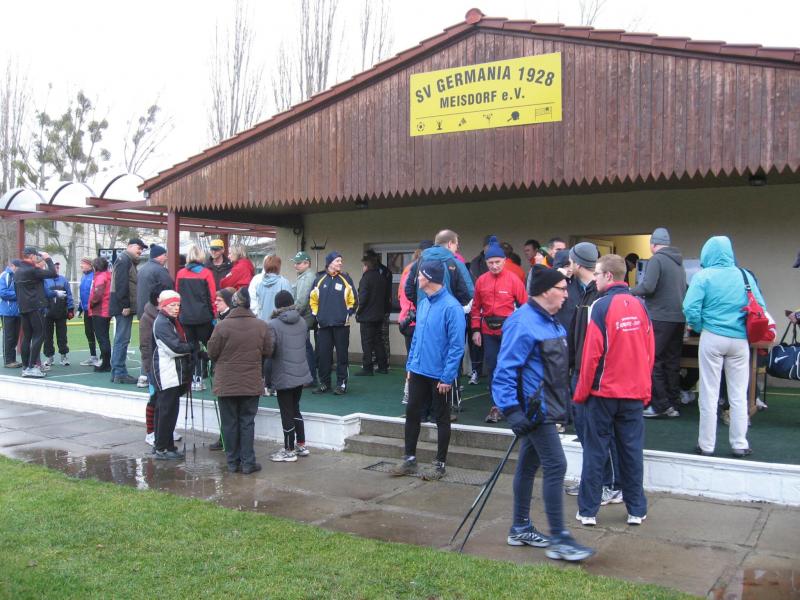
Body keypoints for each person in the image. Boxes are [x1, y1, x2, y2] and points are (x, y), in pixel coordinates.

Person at [491, 264, 595, 561]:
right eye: (561, 289)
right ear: (545, 291)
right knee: (556, 465)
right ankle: (560, 539)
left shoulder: (552, 322)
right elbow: (504, 371)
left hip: (550, 406)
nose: (566, 294)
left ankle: (520, 528)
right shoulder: (522, 322)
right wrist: (512, 411)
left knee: (527, 466)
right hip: (535, 411)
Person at [574, 254, 653, 527]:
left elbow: (590, 354)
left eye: (597, 273)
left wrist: (581, 392)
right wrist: (645, 389)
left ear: (608, 276)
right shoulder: (641, 305)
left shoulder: (600, 306)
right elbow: (649, 351)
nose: (594, 278)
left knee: (595, 452)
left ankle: (587, 511)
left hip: (602, 394)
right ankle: (636, 510)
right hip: (633, 394)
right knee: (632, 452)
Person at [683, 236, 767, 458]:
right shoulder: (744, 275)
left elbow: (690, 308)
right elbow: (761, 306)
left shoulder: (703, 276)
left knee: (709, 392)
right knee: (738, 394)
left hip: (712, 337)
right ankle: (739, 443)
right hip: (740, 341)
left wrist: (700, 326)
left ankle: (706, 445)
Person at [391, 260, 465, 480]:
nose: (417, 278)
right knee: (412, 413)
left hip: (440, 376)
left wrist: (447, 377)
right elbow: (416, 338)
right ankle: (409, 459)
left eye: (420, 275)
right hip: (419, 371)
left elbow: (457, 346)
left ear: (430, 278)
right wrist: (410, 366)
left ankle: (439, 465)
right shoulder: (423, 303)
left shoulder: (452, 308)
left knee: (441, 417)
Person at [207, 287, 274, 474]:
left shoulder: (222, 326)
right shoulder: (261, 325)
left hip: (226, 383)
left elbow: (212, 352)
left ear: (233, 303)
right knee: (247, 422)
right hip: (250, 381)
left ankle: (232, 462)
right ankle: (248, 463)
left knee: (229, 423)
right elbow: (268, 350)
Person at [632, 228, 688, 419]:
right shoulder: (679, 262)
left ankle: (660, 405)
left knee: (653, 360)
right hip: (678, 318)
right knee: (672, 362)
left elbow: (648, 287)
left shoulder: (656, 260)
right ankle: (673, 403)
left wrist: (629, 291)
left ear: (653, 244)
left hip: (660, 317)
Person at [470, 237, 527, 423]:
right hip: (488, 331)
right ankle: (496, 406)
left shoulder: (513, 280)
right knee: (493, 368)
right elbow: (476, 308)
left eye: (497, 262)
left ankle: (517, 404)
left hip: (509, 332)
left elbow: (525, 307)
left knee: (512, 367)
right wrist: (476, 330)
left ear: (504, 261)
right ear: (486, 263)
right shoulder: (481, 281)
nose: (494, 266)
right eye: (490, 263)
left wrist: (521, 331)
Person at [268, 290, 313, 462]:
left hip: (283, 374)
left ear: (277, 305)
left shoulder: (273, 324)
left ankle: (289, 450)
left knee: (286, 412)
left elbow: (270, 350)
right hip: (300, 373)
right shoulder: (302, 321)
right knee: (295, 409)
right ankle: (301, 445)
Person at [151, 290, 193, 460]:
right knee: (166, 412)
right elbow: (174, 348)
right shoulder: (162, 323)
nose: (176, 308)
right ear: (164, 306)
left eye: (178, 305)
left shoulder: (169, 321)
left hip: (171, 373)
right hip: (166, 373)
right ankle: (161, 448)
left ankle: (166, 446)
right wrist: (191, 347)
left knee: (168, 411)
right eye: (173, 305)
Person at [309, 251, 357, 395]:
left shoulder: (346, 279)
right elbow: (312, 300)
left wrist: (347, 314)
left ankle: (341, 384)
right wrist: (317, 316)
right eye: (337, 261)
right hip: (324, 326)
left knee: (342, 356)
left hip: (341, 325)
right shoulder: (319, 279)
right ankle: (324, 383)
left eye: (341, 261)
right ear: (329, 263)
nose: (340, 263)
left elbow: (353, 300)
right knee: (323, 356)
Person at [140, 285, 180, 447]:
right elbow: (145, 345)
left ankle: (164, 431)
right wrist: (148, 367)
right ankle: (151, 432)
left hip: (164, 366)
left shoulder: (168, 317)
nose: (176, 308)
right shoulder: (150, 318)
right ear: (159, 300)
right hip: (155, 366)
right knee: (154, 399)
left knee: (164, 402)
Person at [175, 245, 217, 392]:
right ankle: (214, 374)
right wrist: (214, 315)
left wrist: (179, 313)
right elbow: (212, 296)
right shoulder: (206, 273)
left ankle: (195, 378)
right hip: (203, 317)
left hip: (186, 317)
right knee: (211, 346)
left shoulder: (180, 273)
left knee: (192, 348)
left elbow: (177, 295)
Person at [14, 247, 57, 378]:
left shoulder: (18, 271)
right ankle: (32, 366)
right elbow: (53, 273)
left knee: (27, 337)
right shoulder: (33, 270)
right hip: (35, 307)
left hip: (23, 307)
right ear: (32, 256)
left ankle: (26, 366)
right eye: (36, 256)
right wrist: (48, 258)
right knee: (40, 334)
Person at [109, 238, 147, 384]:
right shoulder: (124, 260)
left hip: (123, 305)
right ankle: (119, 372)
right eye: (139, 248)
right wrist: (125, 305)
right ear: (130, 246)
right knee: (122, 339)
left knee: (121, 339)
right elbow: (121, 283)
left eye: (142, 249)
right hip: (123, 306)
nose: (140, 251)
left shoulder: (126, 260)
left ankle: (116, 372)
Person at [135, 244, 174, 386]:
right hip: (155, 312)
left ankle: (143, 375)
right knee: (157, 344)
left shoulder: (142, 269)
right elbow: (169, 290)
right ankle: (151, 375)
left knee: (145, 343)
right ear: (159, 256)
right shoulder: (160, 271)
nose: (166, 258)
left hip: (142, 311)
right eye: (165, 255)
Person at [355, 253, 390, 376]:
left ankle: (367, 368)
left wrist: (358, 312)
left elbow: (363, 298)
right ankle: (383, 366)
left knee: (367, 343)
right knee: (378, 341)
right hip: (379, 315)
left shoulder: (366, 278)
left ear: (366, 266)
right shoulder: (381, 278)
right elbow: (386, 298)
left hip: (367, 316)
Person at [291, 251, 318, 387]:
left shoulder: (307, 278)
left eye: (298, 263)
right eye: (295, 263)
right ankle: (308, 377)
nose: (295, 265)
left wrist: (292, 316)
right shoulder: (304, 276)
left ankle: (309, 378)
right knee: (305, 347)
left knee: (305, 348)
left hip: (303, 318)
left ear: (307, 263)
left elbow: (301, 301)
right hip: (304, 318)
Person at [363, 248, 393, 368]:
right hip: (381, 308)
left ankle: (383, 361)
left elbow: (381, 292)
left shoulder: (381, 271)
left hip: (380, 309)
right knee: (378, 337)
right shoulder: (382, 271)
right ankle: (381, 362)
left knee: (380, 336)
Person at [42, 261, 75, 367]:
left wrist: (70, 309)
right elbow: (42, 295)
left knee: (62, 335)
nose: (56, 269)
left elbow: (69, 295)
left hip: (61, 312)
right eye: (54, 267)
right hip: (47, 313)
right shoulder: (44, 280)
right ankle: (49, 357)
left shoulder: (63, 280)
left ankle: (64, 356)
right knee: (47, 336)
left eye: (57, 267)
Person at [88, 257, 112, 372]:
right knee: (105, 337)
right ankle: (106, 362)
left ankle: (105, 363)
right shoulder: (108, 275)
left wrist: (91, 304)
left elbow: (97, 294)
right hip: (106, 310)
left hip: (100, 311)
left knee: (102, 338)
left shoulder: (100, 277)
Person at [76, 257, 99, 367]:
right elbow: (83, 294)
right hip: (86, 310)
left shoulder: (95, 276)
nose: (81, 265)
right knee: (89, 333)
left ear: (90, 265)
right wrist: (80, 309)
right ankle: (93, 356)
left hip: (95, 310)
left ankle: (104, 358)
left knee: (99, 333)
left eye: (83, 263)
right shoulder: (83, 277)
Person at [0, 259, 22, 368]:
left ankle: (13, 359)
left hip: (18, 312)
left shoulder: (18, 276)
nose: (19, 270)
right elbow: (3, 293)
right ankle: (8, 361)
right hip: (7, 312)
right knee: (8, 336)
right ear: (13, 266)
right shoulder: (4, 275)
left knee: (15, 336)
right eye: (18, 268)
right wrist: (19, 294)